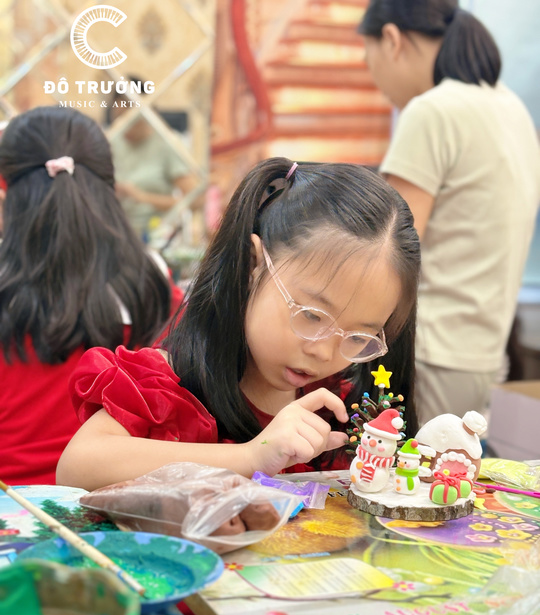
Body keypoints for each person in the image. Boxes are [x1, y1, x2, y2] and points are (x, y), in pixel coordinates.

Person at [57, 158, 421, 491]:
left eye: (358, 337)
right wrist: (250, 457)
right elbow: (78, 466)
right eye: (311, 316)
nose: (324, 352)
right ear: (252, 265)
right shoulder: (170, 385)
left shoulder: (344, 405)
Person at [358, 0, 540, 425]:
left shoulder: (432, 110)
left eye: (369, 61)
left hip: (427, 351)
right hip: (482, 353)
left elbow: (388, 249)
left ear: (392, 40)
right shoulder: (510, 107)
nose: (378, 84)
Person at [0, 106, 173, 486]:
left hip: (12, 507)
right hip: (118, 507)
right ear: (109, 181)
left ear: (7, 188)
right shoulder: (154, 281)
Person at [108, 79, 194, 240]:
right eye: (117, 118)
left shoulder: (167, 143)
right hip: (115, 231)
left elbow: (194, 200)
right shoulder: (111, 140)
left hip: (155, 233)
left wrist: (141, 197)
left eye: (128, 118)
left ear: (146, 114)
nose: (123, 126)